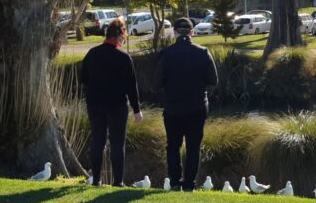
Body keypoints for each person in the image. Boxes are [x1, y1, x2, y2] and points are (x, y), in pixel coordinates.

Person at [153, 17, 218, 191]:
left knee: (173, 146)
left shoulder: (166, 54)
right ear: (192, 32)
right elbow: (214, 80)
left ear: (174, 32)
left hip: (173, 107)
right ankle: (189, 184)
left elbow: (156, 84)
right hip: (197, 106)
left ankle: (175, 182)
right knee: (193, 147)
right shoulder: (203, 52)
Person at [80, 17, 142, 186]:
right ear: (120, 35)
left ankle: (97, 180)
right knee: (117, 143)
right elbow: (132, 86)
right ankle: (118, 181)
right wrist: (137, 109)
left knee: (98, 141)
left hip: (95, 104)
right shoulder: (123, 58)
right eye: (124, 36)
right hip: (117, 105)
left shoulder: (92, 54)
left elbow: (83, 78)